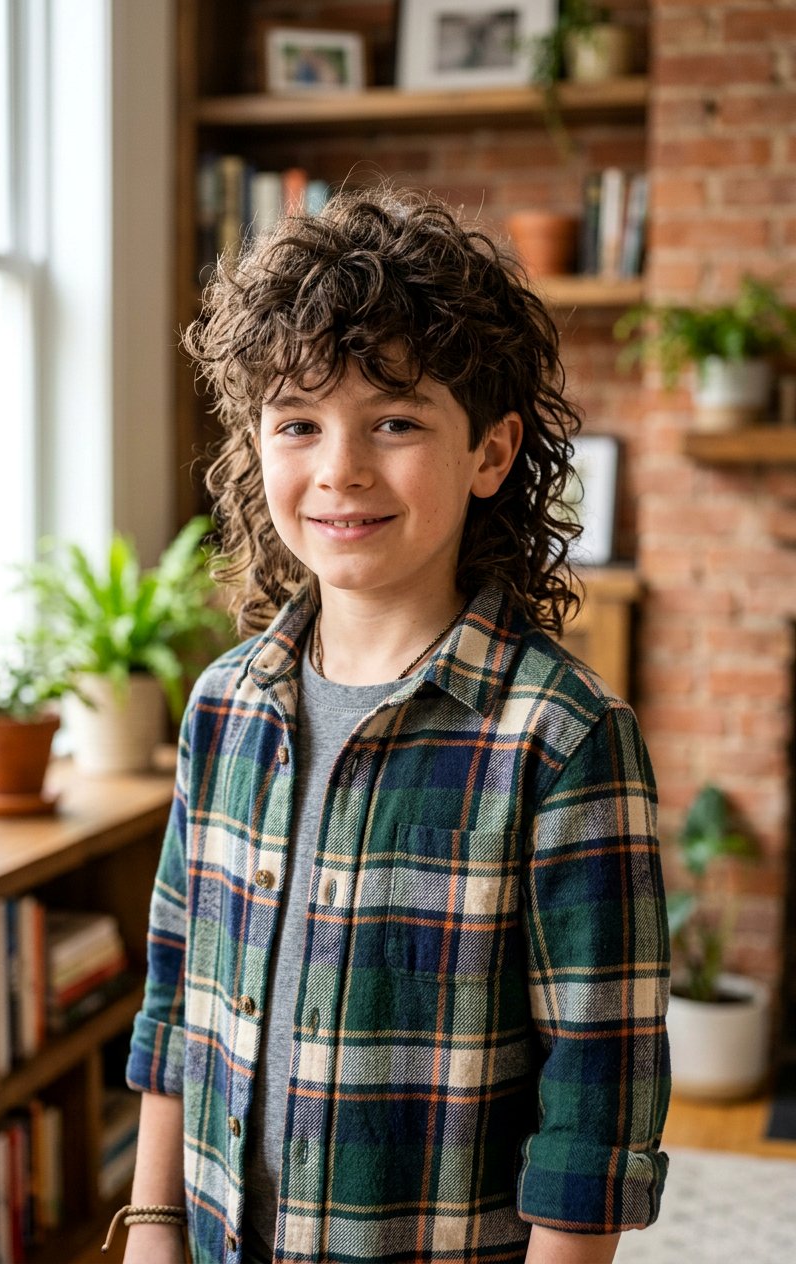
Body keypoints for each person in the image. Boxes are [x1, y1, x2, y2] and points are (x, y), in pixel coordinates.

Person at [115, 186, 670, 1264]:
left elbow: (593, 1114)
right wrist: (148, 1226)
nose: (339, 470)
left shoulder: (562, 742)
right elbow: (175, 1000)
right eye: (298, 423)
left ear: (491, 455)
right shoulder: (223, 707)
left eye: (397, 421)